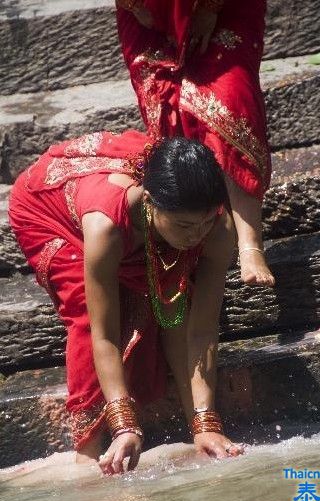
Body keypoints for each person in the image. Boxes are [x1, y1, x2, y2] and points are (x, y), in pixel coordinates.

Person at [8, 129, 244, 475]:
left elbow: (202, 328)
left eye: (206, 223)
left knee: (173, 300)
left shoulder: (217, 227)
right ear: (149, 202)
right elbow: (102, 335)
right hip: (46, 210)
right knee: (89, 313)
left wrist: (206, 424)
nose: (197, 236)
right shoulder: (106, 227)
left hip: (126, 203)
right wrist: (125, 425)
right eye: (185, 226)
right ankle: (87, 454)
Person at [116, 0, 275, 287]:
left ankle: (249, 242)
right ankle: (198, 238)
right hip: (147, 13)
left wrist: (210, 8)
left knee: (230, 99)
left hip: (226, 8)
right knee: (166, 108)